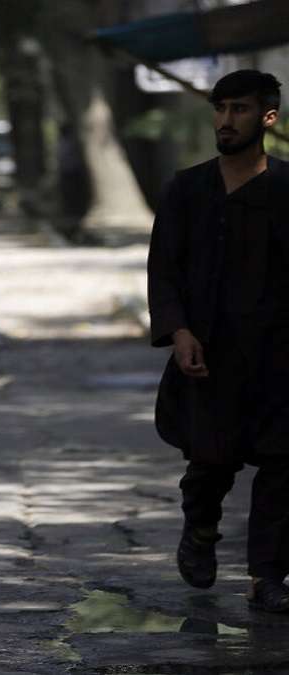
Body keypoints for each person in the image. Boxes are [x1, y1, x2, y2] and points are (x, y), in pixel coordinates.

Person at [148, 69, 289, 612]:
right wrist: (179, 330)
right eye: (221, 109)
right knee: (211, 462)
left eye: (241, 110)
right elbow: (164, 268)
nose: (227, 121)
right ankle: (200, 530)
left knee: (284, 464)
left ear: (268, 117)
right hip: (210, 354)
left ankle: (267, 576)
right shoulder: (187, 189)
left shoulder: (285, 189)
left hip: (279, 356)